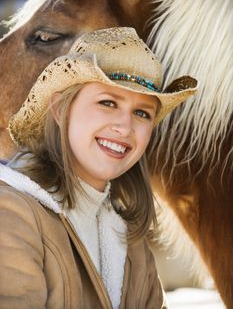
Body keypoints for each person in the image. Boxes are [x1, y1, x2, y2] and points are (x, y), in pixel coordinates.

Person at [0, 27, 197, 309]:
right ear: (60, 110)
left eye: (142, 113)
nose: (124, 127)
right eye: (108, 102)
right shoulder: (10, 213)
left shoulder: (128, 238)